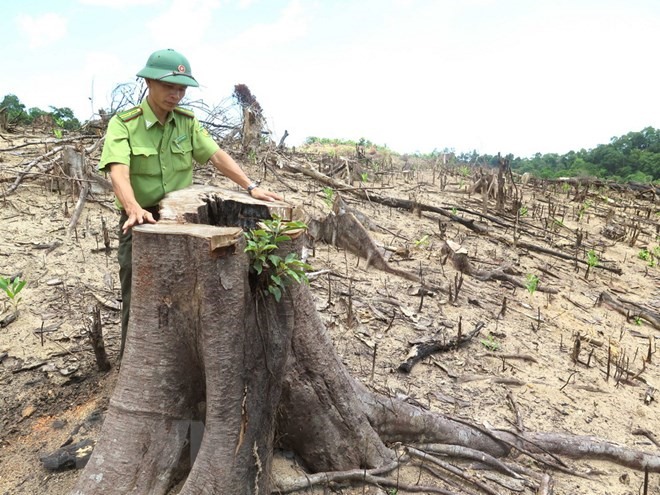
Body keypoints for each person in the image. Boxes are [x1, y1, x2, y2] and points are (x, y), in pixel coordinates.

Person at [98, 48, 282, 359]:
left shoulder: (186, 122)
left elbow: (216, 156)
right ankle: (131, 362)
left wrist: (251, 186)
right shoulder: (125, 124)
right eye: (169, 86)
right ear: (149, 83)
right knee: (139, 296)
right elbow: (118, 171)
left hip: (184, 223)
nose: (176, 95)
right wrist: (132, 207)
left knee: (187, 294)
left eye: (181, 88)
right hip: (141, 223)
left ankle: (182, 360)